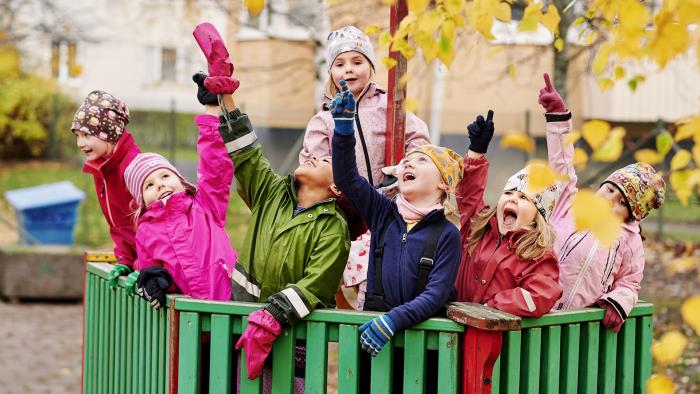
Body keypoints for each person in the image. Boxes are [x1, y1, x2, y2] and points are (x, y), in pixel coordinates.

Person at [216, 78, 350, 390]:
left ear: (337, 187)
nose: (313, 156)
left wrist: (275, 314)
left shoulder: (333, 226)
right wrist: (226, 100)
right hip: (245, 323)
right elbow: (248, 155)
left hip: (296, 341)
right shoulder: (272, 192)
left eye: (325, 159)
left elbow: (317, 283)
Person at [331, 80, 461, 392]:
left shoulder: (447, 235)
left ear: (444, 184)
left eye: (420, 161)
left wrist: (394, 321)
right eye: (406, 161)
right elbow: (347, 178)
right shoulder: (383, 212)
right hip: (374, 341)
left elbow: (435, 295)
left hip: (423, 347)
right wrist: (344, 130)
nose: (407, 164)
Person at [300, 25, 431, 310]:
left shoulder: (388, 106)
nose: (349, 70)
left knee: (379, 264)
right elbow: (314, 161)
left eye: (357, 62)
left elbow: (418, 140)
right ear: (331, 72)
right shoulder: (324, 119)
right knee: (342, 261)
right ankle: (341, 310)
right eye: (340, 64)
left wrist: (400, 174)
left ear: (370, 67)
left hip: (389, 202)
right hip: (345, 208)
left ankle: (373, 311)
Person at [540, 73, 665, 332]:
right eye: (609, 190)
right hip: (539, 313)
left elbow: (630, 282)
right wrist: (558, 118)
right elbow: (561, 164)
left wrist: (617, 302)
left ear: (631, 216)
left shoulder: (628, 240)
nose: (610, 201)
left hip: (580, 326)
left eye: (621, 202)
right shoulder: (571, 206)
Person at [121, 73, 238, 306]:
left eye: (165, 176)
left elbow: (215, 165)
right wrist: (155, 282)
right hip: (189, 322)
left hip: (232, 308)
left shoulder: (205, 206)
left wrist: (212, 111)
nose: (160, 184)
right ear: (141, 199)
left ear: (181, 181)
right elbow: (150, 269)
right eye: (149, 185)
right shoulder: (146, 232)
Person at [454, 109, 562, 318]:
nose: (513, 198)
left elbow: (540, 295)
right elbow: (469, 195)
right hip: (454, 330)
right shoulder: (478, 229)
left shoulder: (538, 255)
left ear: (537, 217)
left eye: (523, 198)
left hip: (498, 340)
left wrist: (491, 306)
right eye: (509, 193)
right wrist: (476, 151)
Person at [71, 90, 141, 288]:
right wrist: (125, 260)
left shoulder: (132, 167)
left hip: (153, 265)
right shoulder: (102, 168)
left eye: (86, 135)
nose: (80, 143)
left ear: (109, 133)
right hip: (136, 262)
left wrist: (146, 265)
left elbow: (149, 224)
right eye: (77, 135)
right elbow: (118, 223)